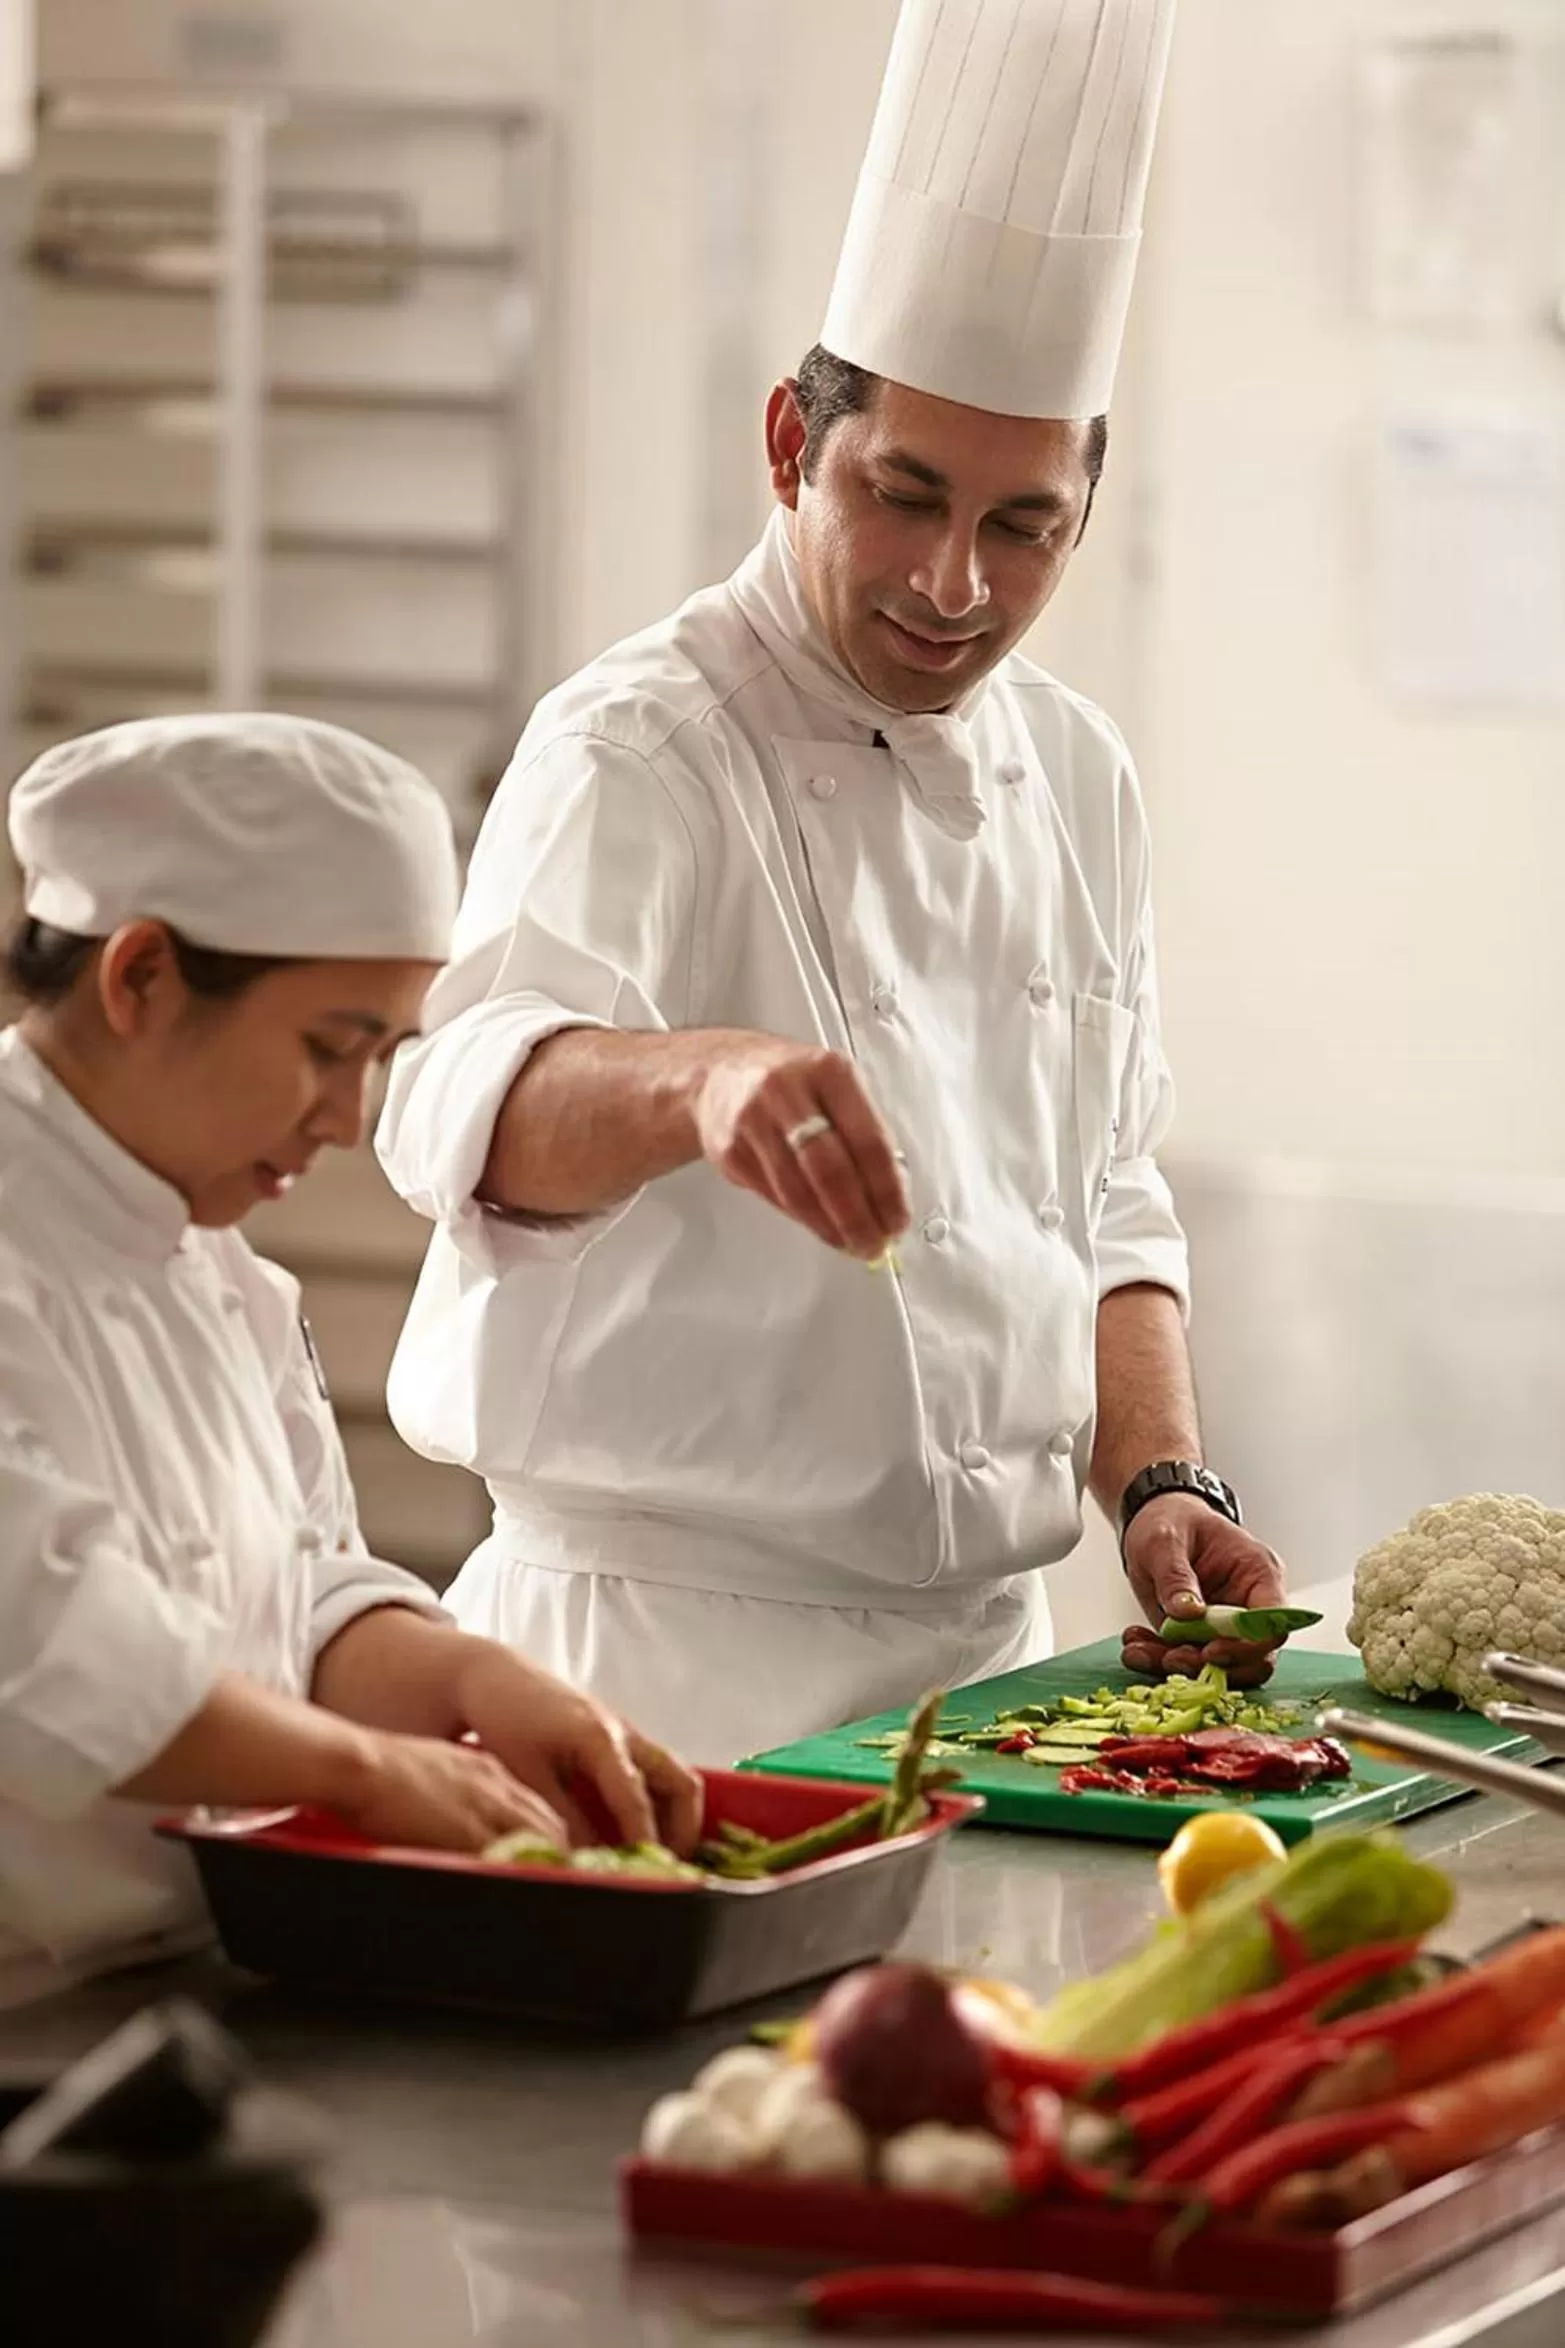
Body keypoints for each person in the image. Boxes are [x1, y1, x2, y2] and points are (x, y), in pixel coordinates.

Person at [377, 0, 1291, 1767]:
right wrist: (699, 1079)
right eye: (905, 495)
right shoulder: (639, 746)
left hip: (990, 1678)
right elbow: (462, 1112)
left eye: (1023, 524)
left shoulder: (1080, 777)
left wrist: (1160, 1474)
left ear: (1084, 514)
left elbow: (1106, 1194)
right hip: (653, 1675)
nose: (955, 580)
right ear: (794, 447)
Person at [0, 712, 700, 2010]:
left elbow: (297, 1595)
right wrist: (363, 1776)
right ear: (141, 977)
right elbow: (42, 1647)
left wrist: (478, 1681)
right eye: (329, 1048)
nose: (348, 1117)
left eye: (384, 1056)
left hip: (202, 1986)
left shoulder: (225, 1271)